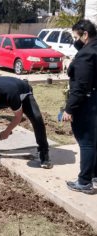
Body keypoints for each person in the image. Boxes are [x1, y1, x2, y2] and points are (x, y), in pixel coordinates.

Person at [62, 20, 97, 194]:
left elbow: (81, 86)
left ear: (85, 35)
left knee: (86, 142)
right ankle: (94, 175)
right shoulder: (93, 49)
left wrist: (69, 108)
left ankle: (84, 182)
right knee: (94, 141)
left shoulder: (86, 55)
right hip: (95, 99)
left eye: (76, 37)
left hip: (87, 103)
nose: (75, 40)